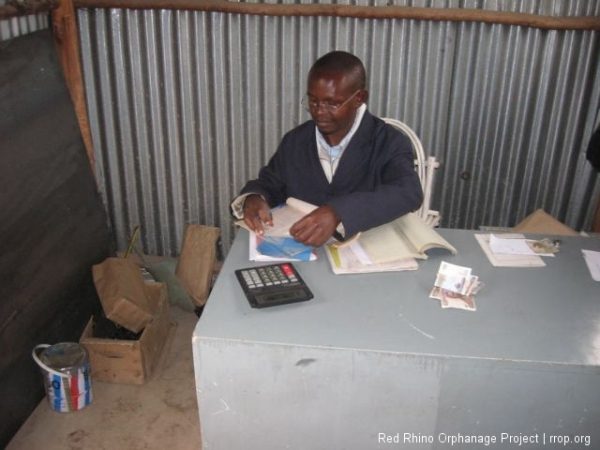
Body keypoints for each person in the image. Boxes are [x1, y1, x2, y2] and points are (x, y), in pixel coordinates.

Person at [231, 51, 423, 247]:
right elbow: (271, 182)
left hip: (366, 257)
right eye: (313, 101)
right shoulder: (296, 141)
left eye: (332, 103)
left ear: (359, 98)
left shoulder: (389, 142)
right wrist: (255, 197)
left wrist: (338, 212)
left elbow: (408, 192)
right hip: (305, 256)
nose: (319, 112)